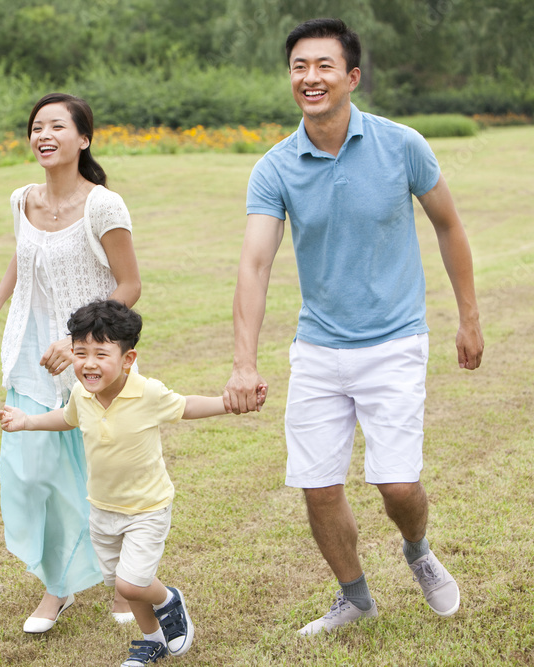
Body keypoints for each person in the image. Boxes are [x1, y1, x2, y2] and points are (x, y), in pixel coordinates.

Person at [224, 18, 484, 635]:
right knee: (318, 488)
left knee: (397, 487)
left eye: (323, 66)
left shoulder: (403, 145)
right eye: (299, 67)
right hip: (318, 348)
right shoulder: (276, 166)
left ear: (351, 77)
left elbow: (449, 225)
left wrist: (468, 318)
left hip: (395, 341)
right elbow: (255, 263)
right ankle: (355, 595)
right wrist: (243, 361)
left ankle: (418, 551)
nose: (310, 78)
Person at [0, 93, 142, 632]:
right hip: (30, 351)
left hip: (91, 358)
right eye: (36, 126)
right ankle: (57, 585)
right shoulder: (22, 199)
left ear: (82, 139)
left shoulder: (104, 205)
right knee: (31, 472)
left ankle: (118, 577)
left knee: (102, 473)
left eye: (56, 126)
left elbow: (129, 285)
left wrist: (79, 339)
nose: (43, 134)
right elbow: (23, 255)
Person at [0, 300, 263, 665]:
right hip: (103, 509)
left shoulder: (147, 393)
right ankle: (152, 639)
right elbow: (67, 418)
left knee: (131, 583)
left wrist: (228, 403)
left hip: (146, 508)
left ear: (127, 359)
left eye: (100, 354)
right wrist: (27, 421)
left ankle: (168, 598)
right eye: (80, 353)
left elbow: (186, 407)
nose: (88, 363)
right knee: (120, 581)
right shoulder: (82, 394)